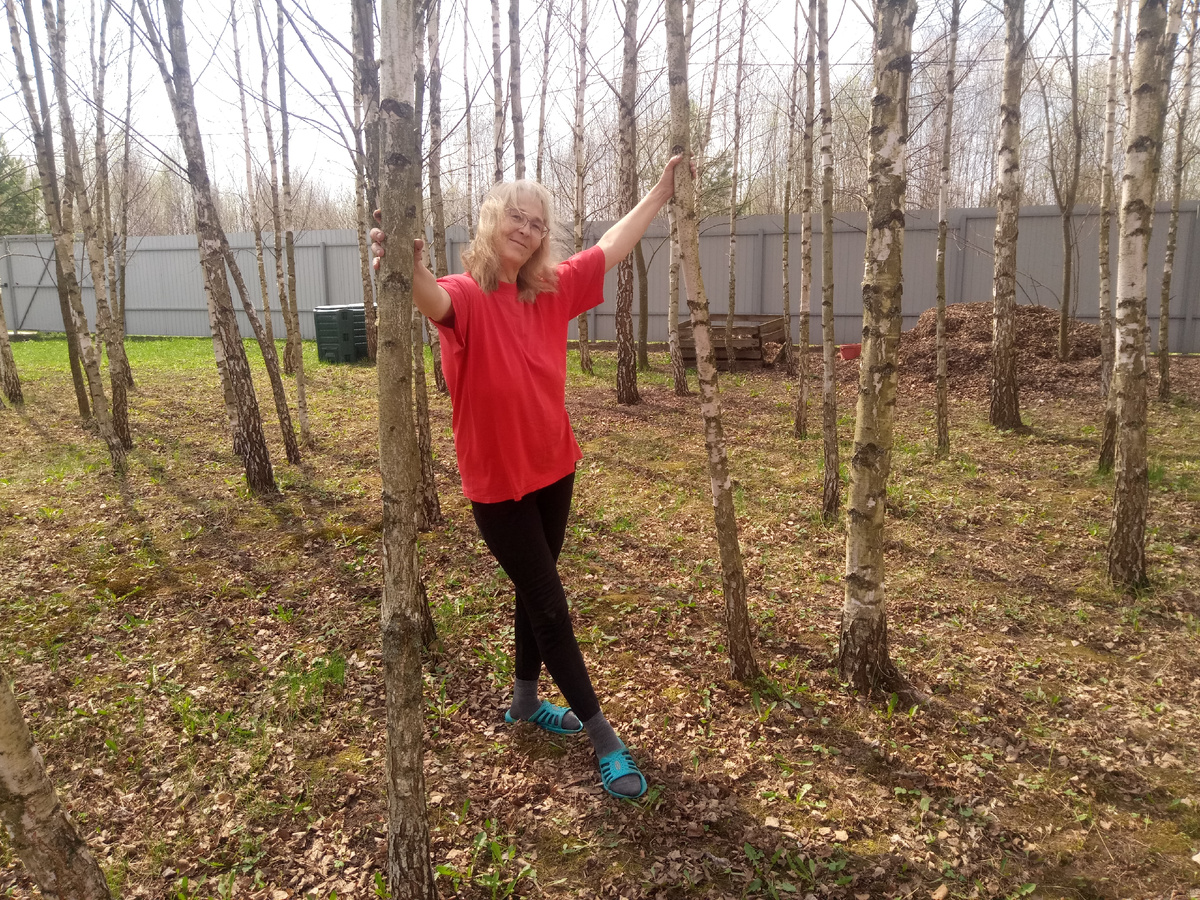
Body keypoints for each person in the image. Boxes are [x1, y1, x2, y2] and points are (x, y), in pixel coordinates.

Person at [371, 156, 686, 799]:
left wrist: (658, 194)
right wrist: (406, 265)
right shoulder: (464, 294)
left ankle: (524, 701)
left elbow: (611, 246)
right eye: (516, 216)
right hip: (498, 486)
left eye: (537, 223)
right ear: (492, 221)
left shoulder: (550, 290)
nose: (526, 228)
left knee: (532, 591)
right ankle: (605, 739)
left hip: (554, 467)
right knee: (549, 602)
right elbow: (430, 297)